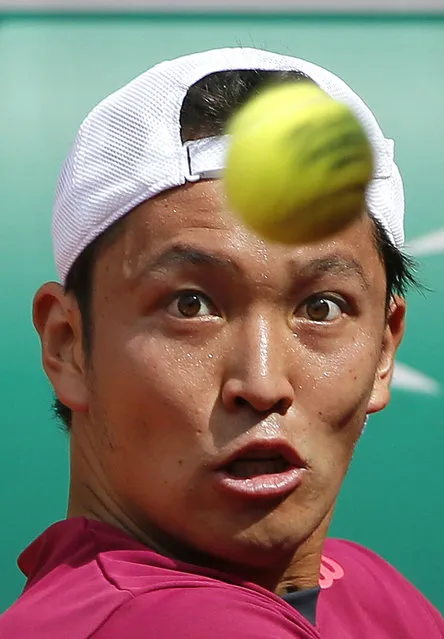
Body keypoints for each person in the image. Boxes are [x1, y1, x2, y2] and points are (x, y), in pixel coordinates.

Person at [0, 47, 442, 639]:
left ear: (385, 350)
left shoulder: (366, 589)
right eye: (192, 305)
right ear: (67, 344)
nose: (262, 385)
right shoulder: (173, 624)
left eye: (321, 308)